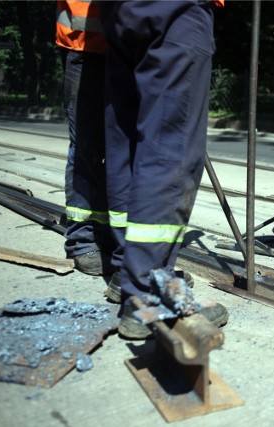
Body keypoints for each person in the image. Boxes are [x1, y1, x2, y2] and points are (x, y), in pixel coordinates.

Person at [99, 0, 227, 339]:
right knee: (171, 148)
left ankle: (127, 270)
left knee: (127, 145)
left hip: (118, 12)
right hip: (174, 10)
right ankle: (146, 297)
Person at [55, 0, 115, 276]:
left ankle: (108, 232)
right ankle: (83, 239)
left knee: (121, 151)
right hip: (85, 45)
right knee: (86, 147)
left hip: (130, 48)